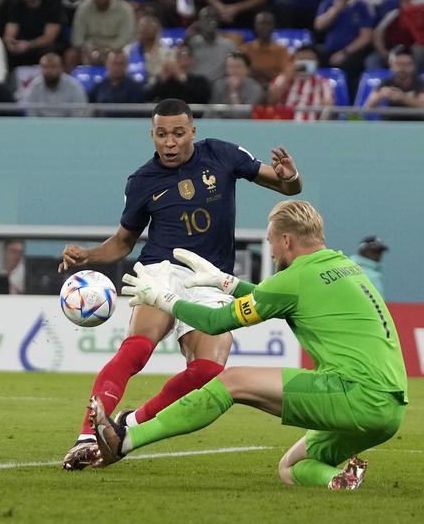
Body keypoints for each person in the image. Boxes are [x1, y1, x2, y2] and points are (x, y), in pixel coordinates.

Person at [94, 201, 407, 492]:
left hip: (355, 394)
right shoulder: (344, 266)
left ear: (286, 240)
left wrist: (163, 298)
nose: (270, 250)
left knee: (232, 381)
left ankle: (125, 439)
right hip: (390, 410)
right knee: (291, 467)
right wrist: (224, 282)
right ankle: (339, 479)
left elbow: (216, 322)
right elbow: (280, 298)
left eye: (270, 240)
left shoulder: (295, 278)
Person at [58, 98, 303, 470]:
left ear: (192, 132)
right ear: (152, 135)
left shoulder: (222, 155)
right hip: (161, 269)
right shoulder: (142, 181)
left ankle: (126, 425)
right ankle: (87, 437)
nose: (169, 142)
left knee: (208, 371)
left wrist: (290, 177)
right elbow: (123, 242)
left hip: (209, 277)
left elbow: (288, 189)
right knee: (136, 351)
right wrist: (88, 256)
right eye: (161, 135)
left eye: (177, 133)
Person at [21, 51, 87, 117]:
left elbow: (78, 113)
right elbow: (30, 112)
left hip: (68, 125)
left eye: (53, 67)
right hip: (40, 125)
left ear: (61, 68)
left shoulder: (74, 86)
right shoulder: (34, 85)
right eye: (45, 67)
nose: (49, 71)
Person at [362, 47, 424, 118]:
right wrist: (380, 95)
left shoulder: (420, 83)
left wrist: (403, 98)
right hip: (390, 124)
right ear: (391, 65)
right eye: (398, 64)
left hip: (414, 125)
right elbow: (367, 108)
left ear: (413, 66)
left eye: (406, 64)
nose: (402, 68)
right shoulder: (385, 83)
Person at [240, 12, 290, 84]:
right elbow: (241, 72)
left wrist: (259, 71)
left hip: (273, 87)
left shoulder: (282, 50)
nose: (264, 27)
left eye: (268, 24)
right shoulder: (245, 49)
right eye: (261, 23)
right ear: (255, 26)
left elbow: (284, 75)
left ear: (274, 27)